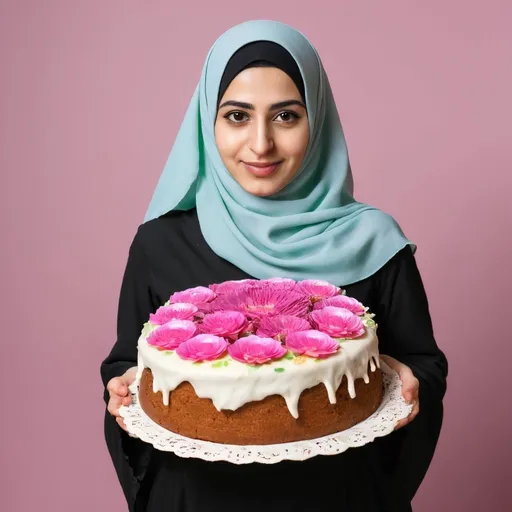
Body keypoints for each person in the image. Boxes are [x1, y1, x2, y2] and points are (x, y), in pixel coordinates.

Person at [100, 20, 448, 512]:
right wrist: (118, 386)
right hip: (193, 500)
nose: (261, 144)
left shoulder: (374, 242)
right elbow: (125, 364)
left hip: (337, 498)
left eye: (285, 115)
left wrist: (407, 379)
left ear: (318, 118)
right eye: (237, 116)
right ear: (207, 122)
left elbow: (425, 367)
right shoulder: (160, 243)